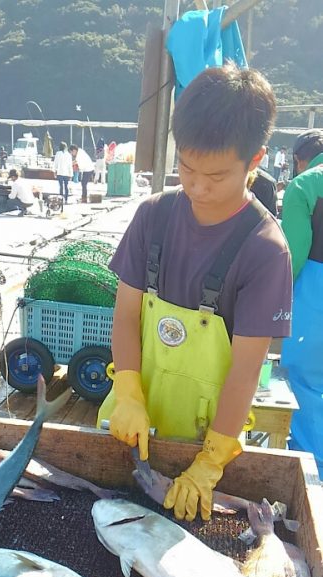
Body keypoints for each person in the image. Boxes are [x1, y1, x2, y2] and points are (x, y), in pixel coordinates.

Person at [97, 64, 292, 522]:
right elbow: (125, 316)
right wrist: (127, 391)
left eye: (218, 176)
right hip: (129, 428)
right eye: (186, 167)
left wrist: (211, 461)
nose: (198, 187)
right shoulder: (152, 217)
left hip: (205, 438)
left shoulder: (264, 251)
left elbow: (246, 371)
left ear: (255, 161)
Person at [280, 129, 323, 476]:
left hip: (315, 298)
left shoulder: (306, 185)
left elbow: (291, 257)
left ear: (299, 159)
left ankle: (312, 475)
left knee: (306, 384)